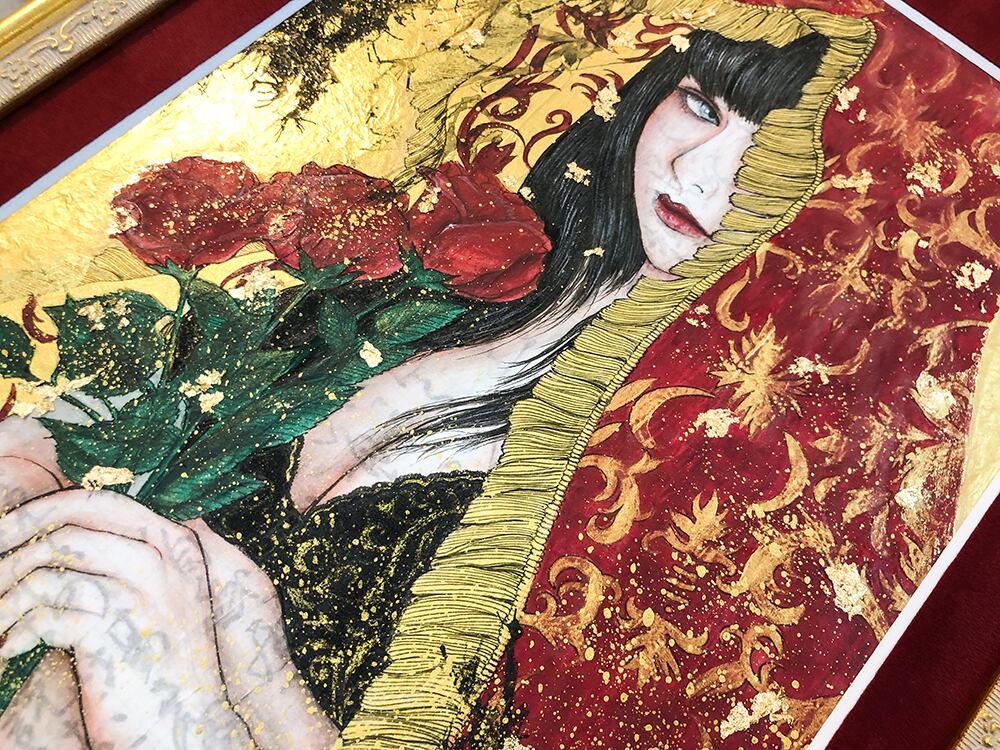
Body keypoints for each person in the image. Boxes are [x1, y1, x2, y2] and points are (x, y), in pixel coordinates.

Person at [0, 28, 828, 749]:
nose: (701, 171)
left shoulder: (641, 495)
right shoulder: (439, 272)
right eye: (703, 107)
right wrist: (41, 465)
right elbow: (123, 418)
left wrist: (205, 688)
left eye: (765, 150)